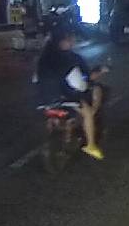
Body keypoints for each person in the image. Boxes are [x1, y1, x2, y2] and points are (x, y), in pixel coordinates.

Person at [35, 27, 105, 160]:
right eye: (70, 39)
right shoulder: (70, 58)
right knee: (88, 113)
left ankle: (53, 134)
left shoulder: (43, 58)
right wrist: (95, 76)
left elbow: (36, 79)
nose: (72, 42)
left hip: (43, 98)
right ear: (63, 42)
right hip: (64, 98)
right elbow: (82, 81)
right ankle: (91, 145)